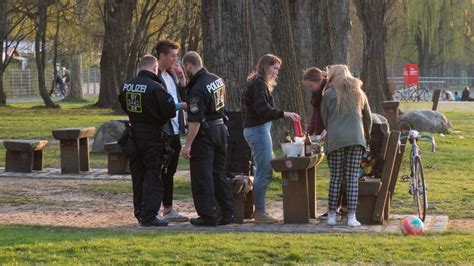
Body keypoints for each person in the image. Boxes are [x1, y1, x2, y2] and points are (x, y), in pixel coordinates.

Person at [118, 55, 184, 227]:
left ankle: (139, 212)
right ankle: (150, 215)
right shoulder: (156, 87)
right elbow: (169, 110)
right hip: (153, 136)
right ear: (155, 67)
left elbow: (124, 105)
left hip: (134, 134)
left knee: (138, 175)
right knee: (153, 174)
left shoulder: (126, 85)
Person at [241, 54, 300, 224]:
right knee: (264, 171)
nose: (276, 73)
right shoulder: (258, 85)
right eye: (275, 69)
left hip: (258, 129)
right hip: (257, 130)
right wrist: (284, 114)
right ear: (266, 67)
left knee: (262, 169)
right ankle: (260, 212)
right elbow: (263, 110)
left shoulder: (257, 84)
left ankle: (258, 210)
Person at [180, 51, 235, 226]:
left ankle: (207, 215)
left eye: (184, 68)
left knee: (201, 176)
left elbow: (195, 121)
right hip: (221, 129)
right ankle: (228, 213)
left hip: (205, 134)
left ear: (189, 66)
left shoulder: (198, 88)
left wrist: (187, 145)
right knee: (218, 174)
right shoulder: (215, 79)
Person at [320, 64, 372, 227]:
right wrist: (366, 136)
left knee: (336, 177)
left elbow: (325, 117)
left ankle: (331, 215)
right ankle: (351, 216)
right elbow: (368, 118)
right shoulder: (359, 93)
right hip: (356, 139)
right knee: (352, 178)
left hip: (336, 140)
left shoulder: (328, 94)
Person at [153, 40, 188, 222]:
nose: (176, 60)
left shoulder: (172, 75)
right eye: (173, 56)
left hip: (174, 131)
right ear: (162, 56)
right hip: (162, 131)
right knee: (159, 170)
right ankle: (155, 209)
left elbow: (182, 95)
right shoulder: (155, 77)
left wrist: (182, 80)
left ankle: (168, 208)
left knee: (171, 171)